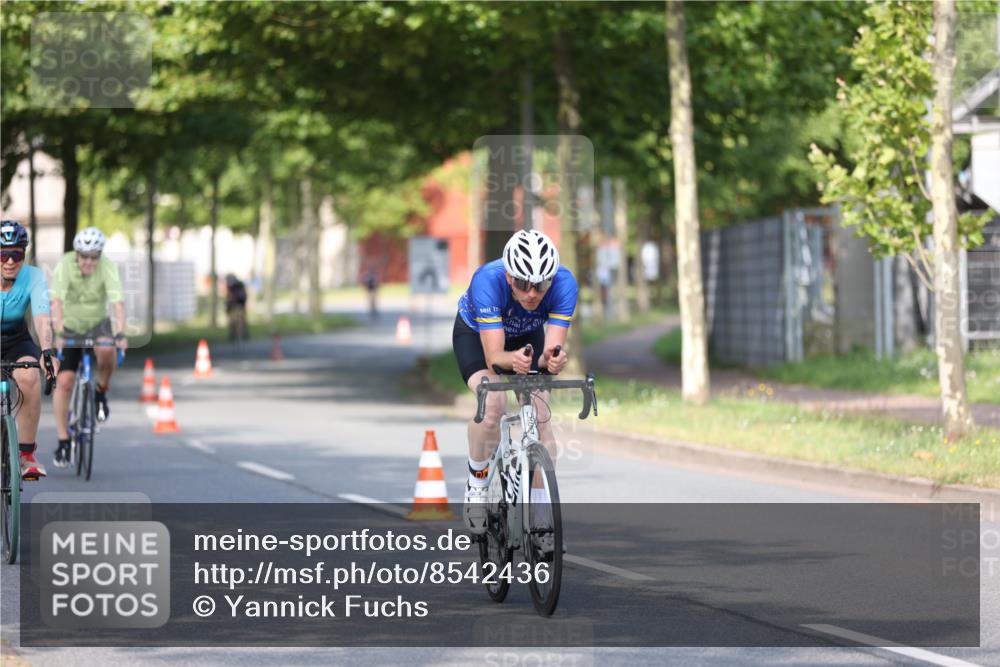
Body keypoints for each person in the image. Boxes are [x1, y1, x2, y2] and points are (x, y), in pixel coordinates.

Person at [453, 229, 577, 535]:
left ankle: (539, 511)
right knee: (493, 403)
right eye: (523, 284)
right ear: (510, 277)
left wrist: (554, 360)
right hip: (478, 335)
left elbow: (552, 350)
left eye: (541, 285)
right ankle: (478, 484)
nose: (532, 293)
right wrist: (513, 361)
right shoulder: (487, 280)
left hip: (527, 336)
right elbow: (494, 355)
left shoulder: (564, 283)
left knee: (541, 413)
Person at [50, 226, 126, 468]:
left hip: (97, 323)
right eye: (84, 256)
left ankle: (101, 392)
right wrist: (59, 333)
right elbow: (56, 302)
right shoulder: (64, 265)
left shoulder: (107, 266)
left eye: (94, 257)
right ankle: (63, 440)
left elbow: (118, 303)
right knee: (64, 382)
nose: (89, 262)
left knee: (107, 349)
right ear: (77, 254)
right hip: (69, 326)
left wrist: (121, 333)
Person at [0, 221, 58, 479]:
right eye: (3, 254)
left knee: (29, 375)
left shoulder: (33, 276)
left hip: (16, 339)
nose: (10, 261)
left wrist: (47, 351)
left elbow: (43, 318)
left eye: (17, 254)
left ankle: (25, 455)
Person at [224, 274, 248, 342]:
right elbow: (228, 298)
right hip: (234, 306)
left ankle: (240, 334)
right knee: (233, 321)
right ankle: (235, 334)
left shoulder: (238, 286)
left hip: (239, 306)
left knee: (239, 321)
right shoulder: (231, 287)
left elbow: (242, 297)